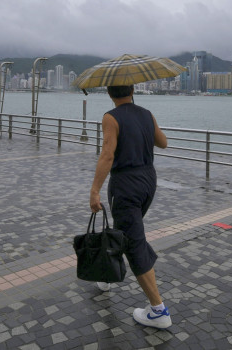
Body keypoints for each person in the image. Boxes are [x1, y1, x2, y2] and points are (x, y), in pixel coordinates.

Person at [89, 84, 172, 329]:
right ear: (133, 89)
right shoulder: (146, 113)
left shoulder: (110, 117)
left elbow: (107, 154)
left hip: (126, 184)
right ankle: (106, 276)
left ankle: (158, 311)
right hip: (148, 181)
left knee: (133, 240)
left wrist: (95, 190)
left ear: (108, 93)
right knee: (127, 231)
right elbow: (163, 142)